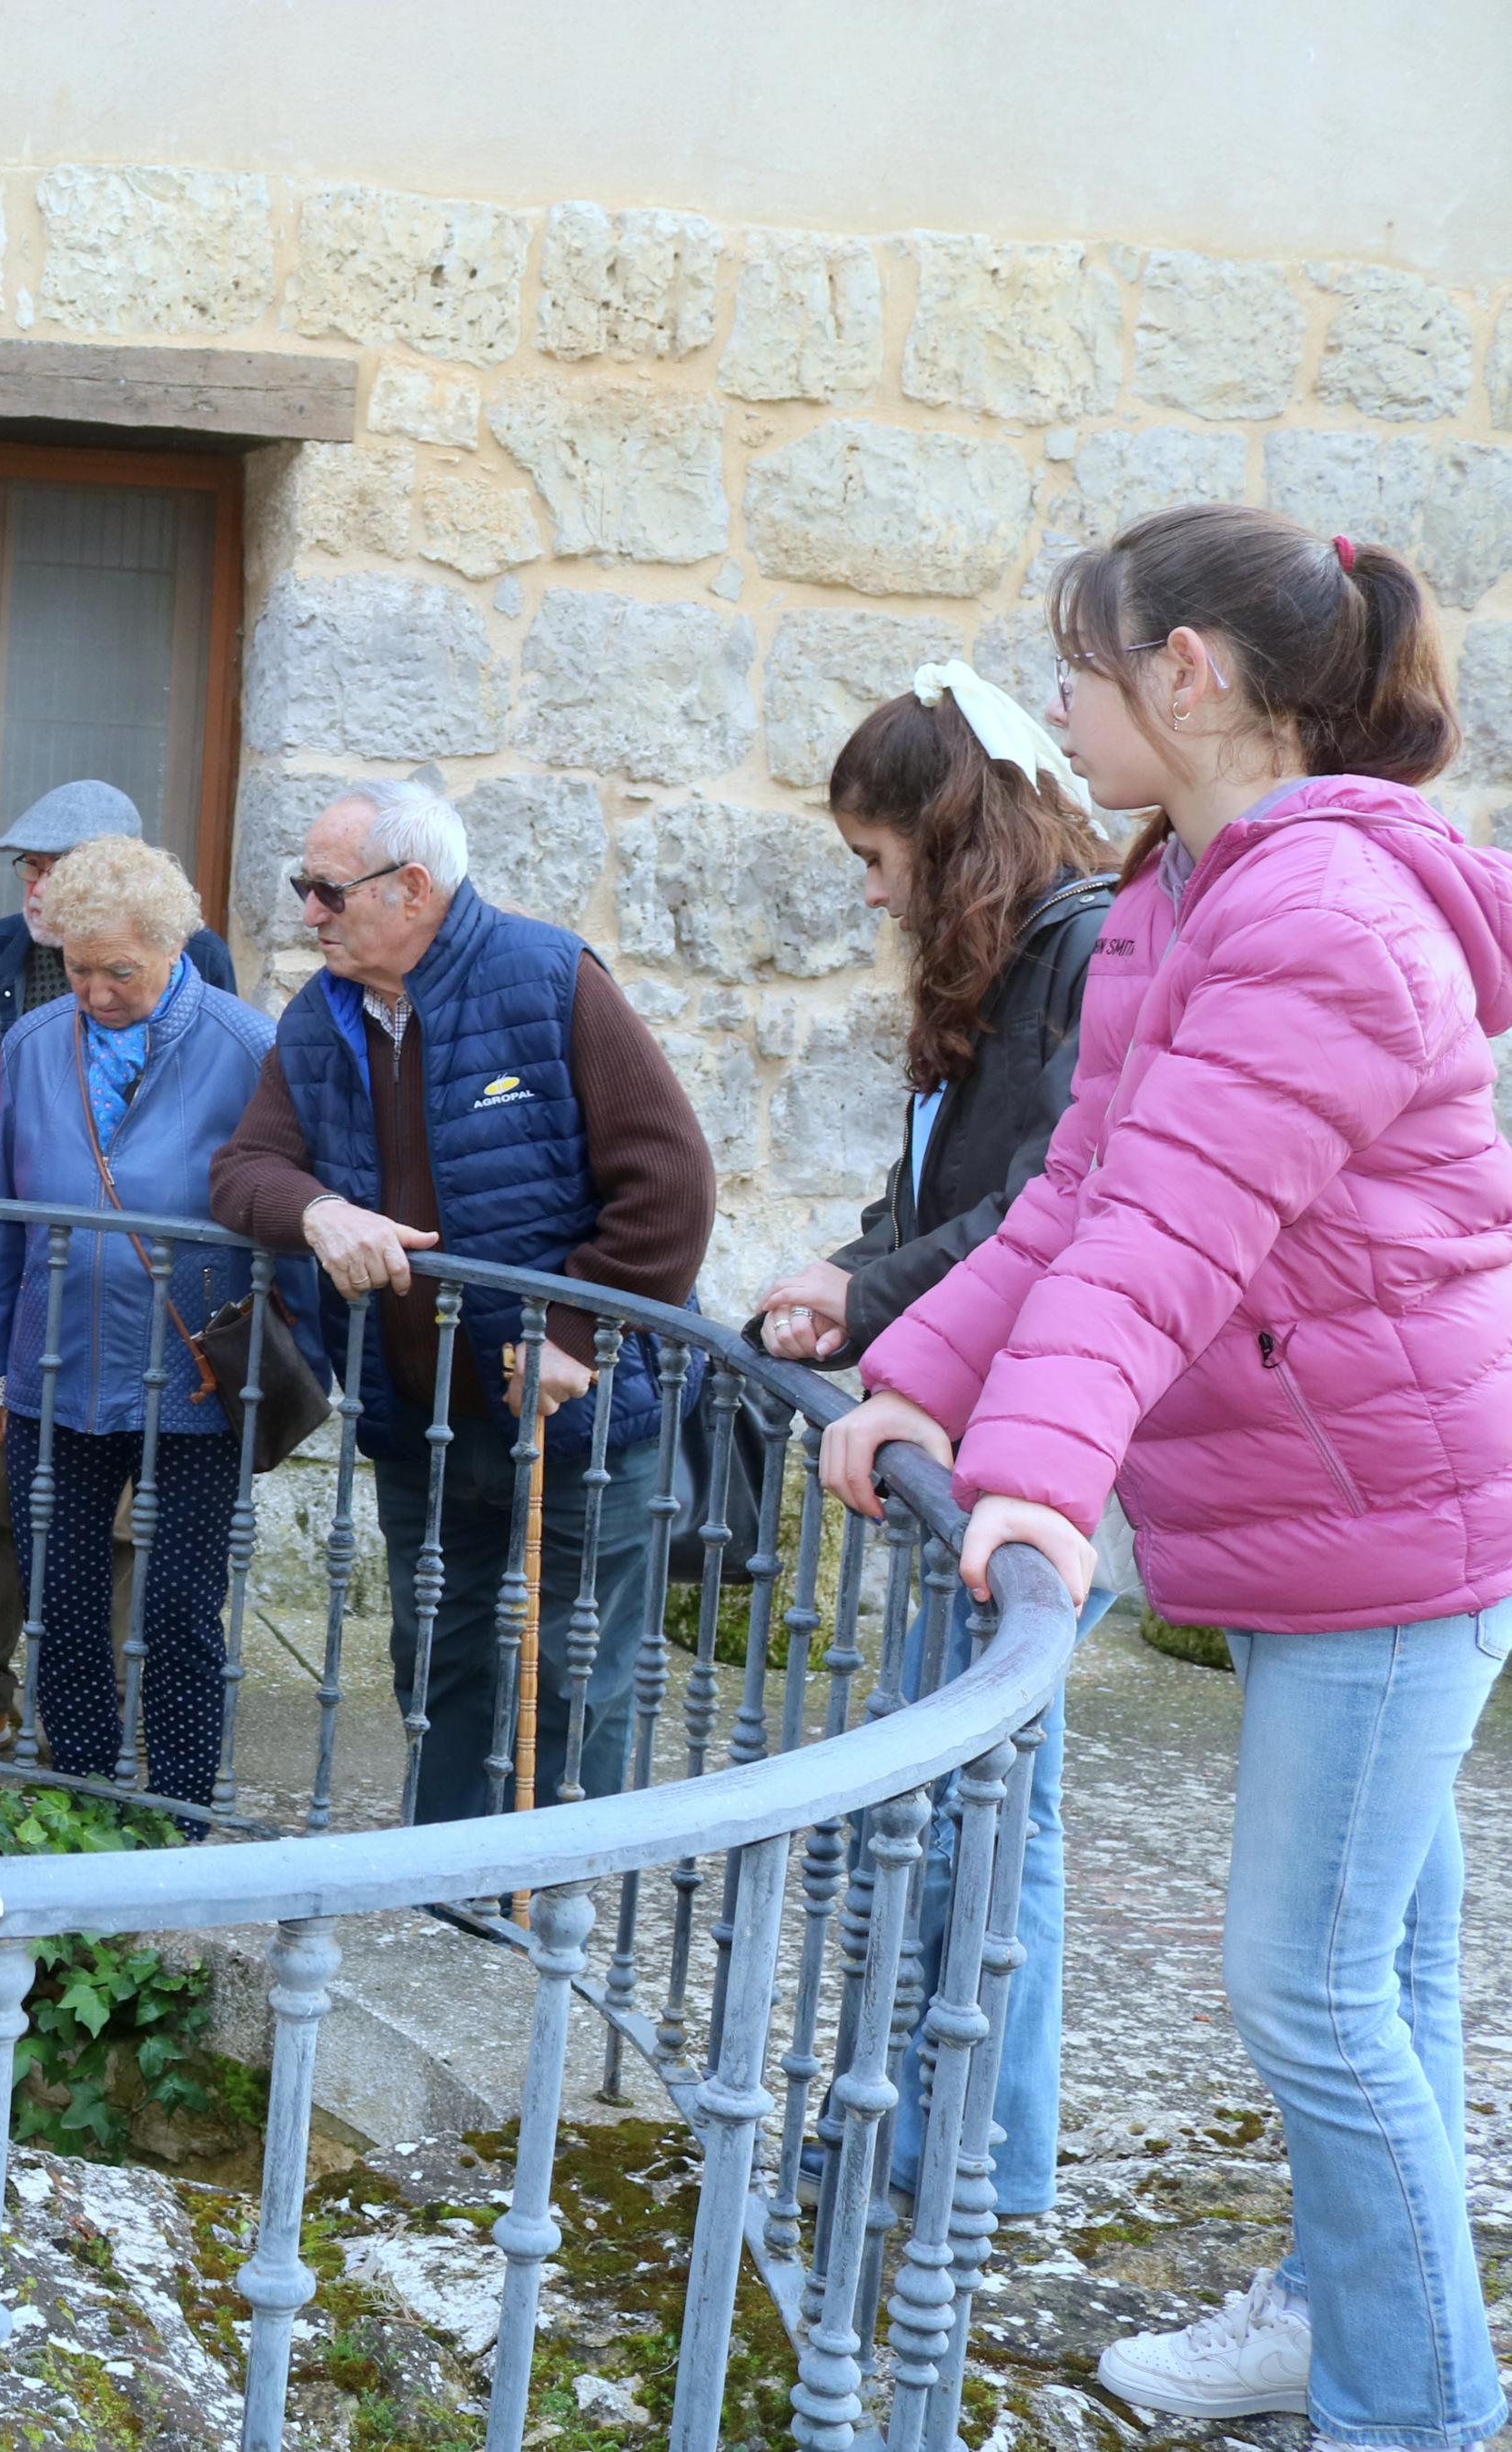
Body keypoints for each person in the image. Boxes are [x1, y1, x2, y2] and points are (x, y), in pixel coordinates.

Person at [825, 507, 1512, 2452]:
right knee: (1370, 1971)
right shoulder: (1179, 890)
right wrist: (915, 1387)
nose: (1051, 702)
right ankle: (1335, 2311)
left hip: (1395, 1523)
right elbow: (1073, 1199)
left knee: (1306, 1994)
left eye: (1079, 662)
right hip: (1339, 1503)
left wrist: (1032, 1468)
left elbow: (1172, 1236)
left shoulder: (1312, 919)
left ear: (1187, 676)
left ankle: (1418, 2412)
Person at [752, 669, 1116, 2227]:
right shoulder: (1021, 961)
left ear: (948, 835)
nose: (865, 888)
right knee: (971, 1813)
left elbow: (1051, 1206)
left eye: (873, 853)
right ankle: (966, 2146)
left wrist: (866, 1290)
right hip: (979, 1429)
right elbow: (944, 1201)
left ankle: (950, 2154)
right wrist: (849, 1276)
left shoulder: (1085, 957)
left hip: (1043, 1444)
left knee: (972, 1819)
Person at [210, 778, 712, 1823]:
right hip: (423, 1418)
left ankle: (566, 1897)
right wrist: (315, 1212)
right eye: (302, 888)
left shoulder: (544, 978)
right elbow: (244, 1169)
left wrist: (573, 1330)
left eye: (326, 891)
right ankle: (448, 1886)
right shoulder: (320, 1017)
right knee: (435, 1658)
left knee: (577, 1675)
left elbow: (667, 1182)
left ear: (412, 888)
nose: (308, 913)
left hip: (576, 1413)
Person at [0, 780, 235, 1754]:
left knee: (140, 1550)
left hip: (170, 1325)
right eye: (30, 869)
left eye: (58, 868)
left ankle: (126, 1741)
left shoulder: (218, 1001)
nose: (40, 887)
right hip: (20, 1293)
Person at [0, 835, 274, 1805]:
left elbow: (284, 1212)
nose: (92, 991)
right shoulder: (28, 1044)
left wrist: (281, 1369)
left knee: (180, 1601)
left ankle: (177, 1800)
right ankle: (83, 1789)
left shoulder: (245, 1048)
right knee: (58, 1595)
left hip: (193, 1371)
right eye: (76, 967)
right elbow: (3, 1214)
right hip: (52, 1360)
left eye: (118, 971)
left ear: (172, 947)